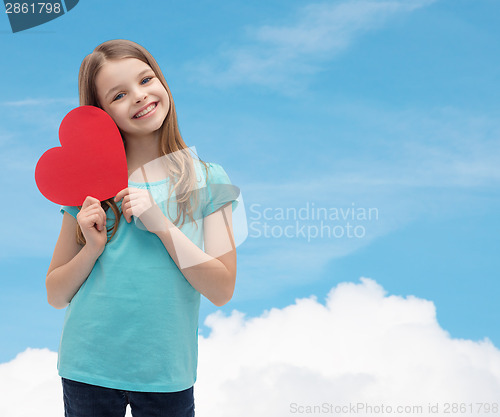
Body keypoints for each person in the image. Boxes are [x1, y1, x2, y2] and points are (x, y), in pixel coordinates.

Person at [45, 39, 240, 417]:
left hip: (166, 374)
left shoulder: (208, 180)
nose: (139, 96)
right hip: (87, 370)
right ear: (101, 113)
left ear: (162, 82)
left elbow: (222, 288)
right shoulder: (86, 188)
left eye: (146, 79)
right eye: (119, 94)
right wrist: (91, 248)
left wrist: (161, 224)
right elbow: (55, 293)